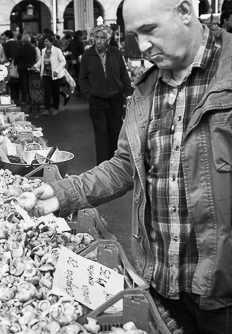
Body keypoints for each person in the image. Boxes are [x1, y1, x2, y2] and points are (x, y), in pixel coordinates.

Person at [28, 0, 232, 332]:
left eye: (149, 30)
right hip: (161, 281)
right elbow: (124, 165)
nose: (142, 46)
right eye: (134, 35)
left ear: (184, 11)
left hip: (222, 294)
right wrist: (62, 193)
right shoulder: (148, 88)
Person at [78, 24, 133, 165]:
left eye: (102, 37)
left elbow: (123, 75)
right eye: (96, 37)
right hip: (97, 100)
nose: (99, 40)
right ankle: (102, 166)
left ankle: (115, 165)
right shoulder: (88, 55)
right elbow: (82, 77)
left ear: (108, 39)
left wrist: (128, 93)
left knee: (114, 133)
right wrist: (87, 94)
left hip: (116, 98)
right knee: (101, 134)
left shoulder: (115, 53)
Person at [33, 35, 71, 116]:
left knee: (55, 92)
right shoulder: (43, 50)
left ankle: (55, 108)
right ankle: (47, 109)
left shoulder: (57, 50)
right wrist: (35, 66)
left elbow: (63, 61)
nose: (45, 43)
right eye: (44, 41)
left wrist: (57, 70)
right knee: (47, 91)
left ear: (51, 42)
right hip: (46, 74)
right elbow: (41, 60)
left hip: (56, 75)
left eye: (47, 41)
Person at [14, 34, 37, 106]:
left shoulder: (20, 49)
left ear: (23, 41)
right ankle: (31, 99)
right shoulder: (33, 49)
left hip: (22, 68)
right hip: (31, 68)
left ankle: (24, 100)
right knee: (30, 84)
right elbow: (34, 58)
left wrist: (15, 63)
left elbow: (16, 59)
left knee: (23, 84)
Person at [3, 30, 20, 105]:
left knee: (11, 84)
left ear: (6, 36)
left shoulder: (6, 45)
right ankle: (17, 98)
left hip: (10, 66)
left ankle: (12, 99)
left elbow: (4, 56)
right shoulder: (17, 43)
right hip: (18, 65)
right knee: (17, 84)